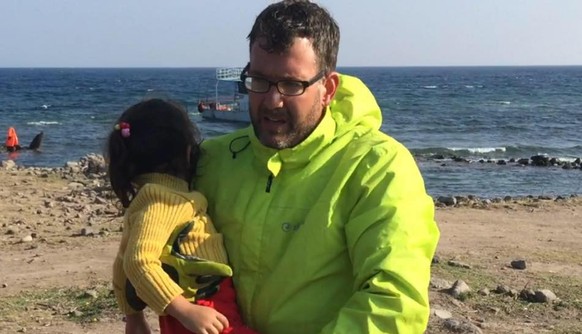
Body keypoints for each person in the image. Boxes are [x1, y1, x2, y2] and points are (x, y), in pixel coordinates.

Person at [193, 1, 440, 333]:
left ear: (328, 88)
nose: (271, 101)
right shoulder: (214, 159)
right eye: (259, 80)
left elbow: (394, 304)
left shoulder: (377, 166)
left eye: (292, 85)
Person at [106, 99, 256, 334]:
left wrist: (133, 316)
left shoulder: (147, 200)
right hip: (201, 304)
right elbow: (137, 261)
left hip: (188, 311)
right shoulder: (165, 200)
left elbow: (122, 262)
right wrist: (184, 309)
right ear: (187, 152)